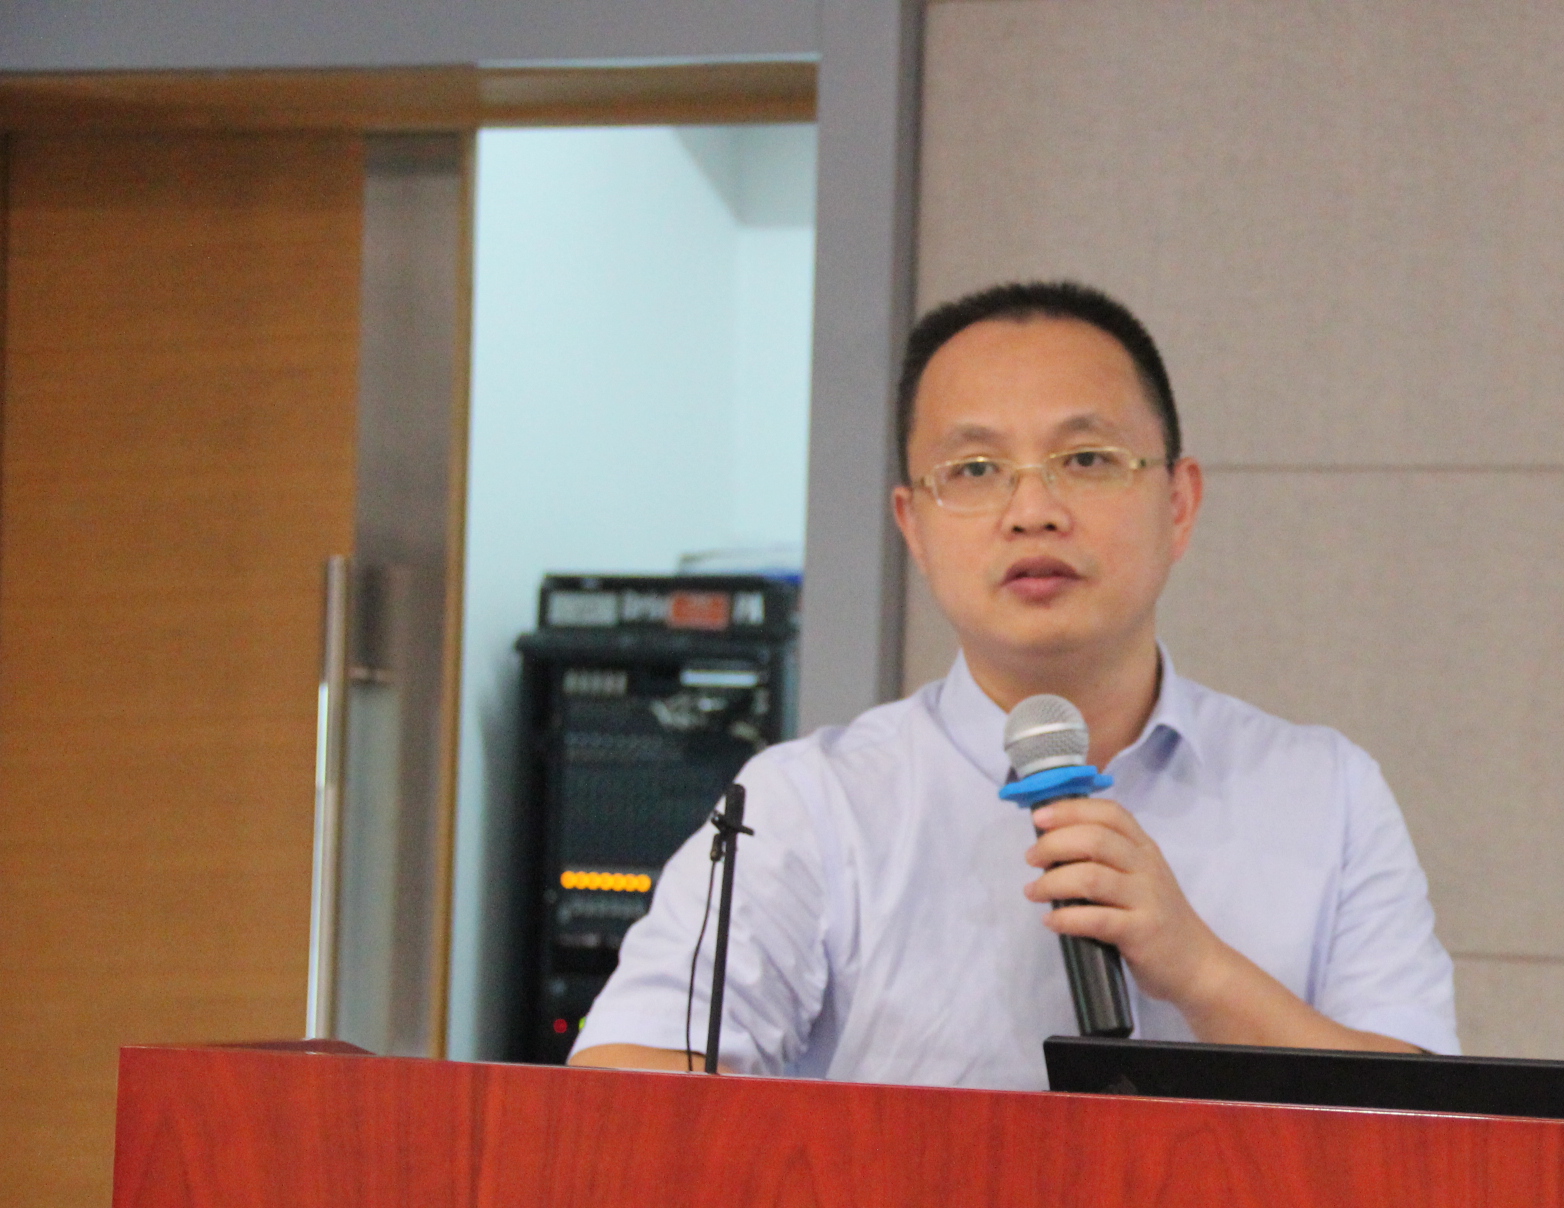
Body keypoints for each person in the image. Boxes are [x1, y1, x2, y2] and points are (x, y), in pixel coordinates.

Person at [569, 280, 1454, 1088]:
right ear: (914, 528)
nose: (1033, 511)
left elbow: (1435, 1139)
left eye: (1088, 459)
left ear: (1179, 505)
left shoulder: (1327, 792)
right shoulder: (808, 805)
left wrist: (1199, 968)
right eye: (975, 471)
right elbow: (622, 1087)